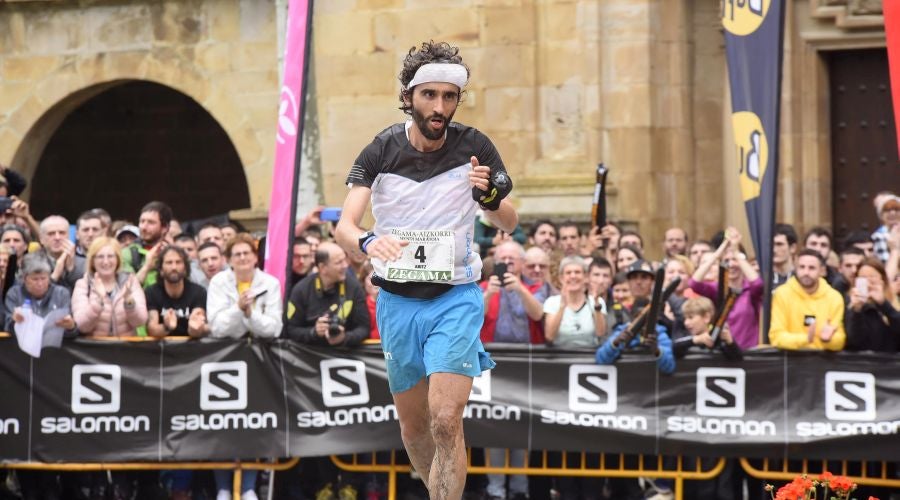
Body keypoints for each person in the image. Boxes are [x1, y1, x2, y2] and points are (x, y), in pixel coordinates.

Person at [333, 40, 518, 499]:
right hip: (397, 302)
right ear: (410, 95)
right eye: (429, 95)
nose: (439, 107)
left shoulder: (475, 146)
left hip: (455, 297)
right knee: (414, 429)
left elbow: (509, 221)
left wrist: (488, 196)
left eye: (449, 97)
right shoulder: (380, 150)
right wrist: (370, 241)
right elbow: (344, 227)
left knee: (444, 417)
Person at [688, 228, 763, 349]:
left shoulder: (750, 290)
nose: (732, 264)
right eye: (726, 260)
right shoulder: (716, 289)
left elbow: (758, 284)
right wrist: (719, 251)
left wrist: (736, 252)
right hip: (722, 352)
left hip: (747, 353)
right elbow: (694, 283)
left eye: (735, 260)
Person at [285, 241, 369, 346]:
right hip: (310, 356)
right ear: (323, 268)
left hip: (346, 355)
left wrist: (344, 338)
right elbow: (291, 330)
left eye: (345, 260)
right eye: (339, 262)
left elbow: (364, 328)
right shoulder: (301, 290)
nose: (345, 265)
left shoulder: (354, 287)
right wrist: (314, 332)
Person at [207, 233, 281, 340]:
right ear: (229, 260)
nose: (242, 257)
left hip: (264, 347)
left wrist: (251, 315)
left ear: (255, 257)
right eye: (237, 254)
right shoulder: (218, 282)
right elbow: (217, 329)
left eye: (246, 253)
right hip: (228, 347)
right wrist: (238, 308)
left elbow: (274, 329)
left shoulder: (271, 283)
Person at [769, 249, 845, 351]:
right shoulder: (782, 294)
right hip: (790, 360)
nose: (806, 272)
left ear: (822, 271)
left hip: (823, 361)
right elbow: (776, 337)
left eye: (812, 268)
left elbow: (840, 341)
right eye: (802, 267)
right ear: (795, 269)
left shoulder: (834, 297)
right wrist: (806, 339)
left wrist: (827, 340)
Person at [71, 237, 148, 337]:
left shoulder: (130, 281)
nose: (106, 262)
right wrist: (99, 301)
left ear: (118, 259)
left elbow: (140, 321)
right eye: (100, 257)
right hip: (94, 349)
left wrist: (129, 302)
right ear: (92, 260)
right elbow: (82, 325)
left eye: (110, 256)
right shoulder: (83, 284)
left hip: (126, 349)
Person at [4, 252, 76, 336]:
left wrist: (71, 327)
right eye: (35, 279)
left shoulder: (61, 293)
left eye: (43, 278)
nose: (40, 283)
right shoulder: (15, 293)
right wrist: (14, 321)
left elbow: (72, 331)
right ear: (24, 278)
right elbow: (7, 327)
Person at [146, 246, 209, 338]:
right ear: (161, 270)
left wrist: (194, 328)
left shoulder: (198, 292)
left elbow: (198, 328)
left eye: (178, 262)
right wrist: (167, 327)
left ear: (185, 268)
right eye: (169, 263)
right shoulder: (151, 292)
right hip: (161, 349)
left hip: (192, 347)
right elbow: (152, 330)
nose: (174, 267)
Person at [543, 256, 606, 348]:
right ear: (561, 278)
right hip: (560, 356)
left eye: (577, 272)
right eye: (568, 273)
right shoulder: (552, 302)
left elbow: (600, 333)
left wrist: (596, 304)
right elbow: (549, 336)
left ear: (585, 277)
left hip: (589, 355)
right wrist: (562, 307)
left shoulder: (597, 302)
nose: (573, 276)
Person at [845, 258, 900, 352]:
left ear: (882, 279)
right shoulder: (849, 302)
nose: (868, 281)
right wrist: (857, 310)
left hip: (892, 361)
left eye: (872, 276)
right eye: (863, 277)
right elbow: (855, 340)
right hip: (863, 362)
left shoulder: (894, 301)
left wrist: (883, 304)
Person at [121, 201, 173, 286]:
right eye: (142, 221)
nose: (144, 227)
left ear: (165, 228)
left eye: (151, 222)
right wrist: (147, 266)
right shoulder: (127, 253)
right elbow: (126, 290)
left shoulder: (175, 255)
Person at [672, 296, 741, 360]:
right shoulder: (683, 333)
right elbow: (675, 346)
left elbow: (738, 359)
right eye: (685, 318)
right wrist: (695, 340)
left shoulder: (718, 336)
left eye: (691, 317)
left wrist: (730, 342)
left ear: (706, 317)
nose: (686, 322)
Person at [871, 193, 899, 263]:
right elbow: (884, 262)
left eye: (896, 209)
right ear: (881, 215)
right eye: (888, 210)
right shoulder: (879, 236)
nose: (892, 213)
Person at [772, 223, 798, 289]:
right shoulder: (762, 279)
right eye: (770, 244)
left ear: (792, 248)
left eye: (779, 244)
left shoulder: (802, 277)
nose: (774, 250)